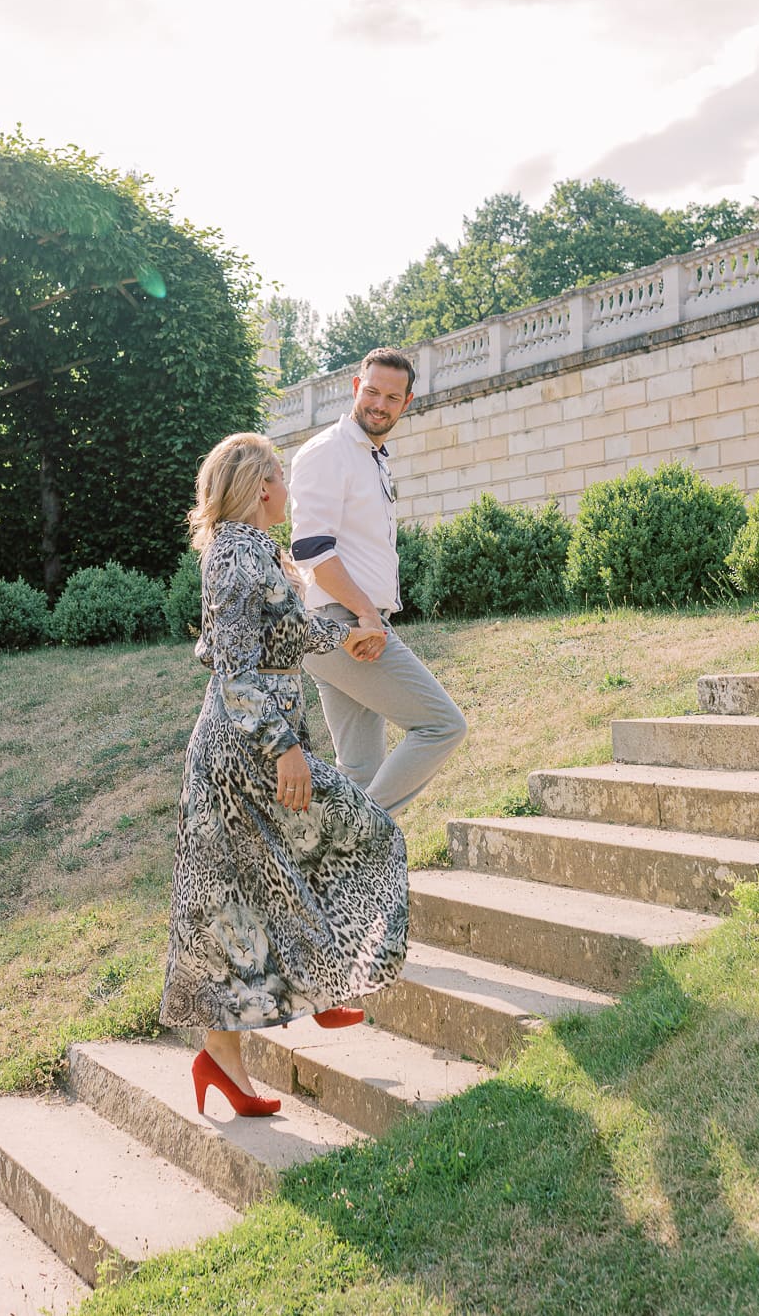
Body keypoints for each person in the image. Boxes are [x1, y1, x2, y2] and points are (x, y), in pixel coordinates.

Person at [159, 432, 408, 1119]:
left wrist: (342, 637)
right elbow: (234, 669)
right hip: (245, 749)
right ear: (259, 484)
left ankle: (225, 1061)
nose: (288, 485)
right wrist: (284, 750)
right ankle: (328, 984)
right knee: (361, 833)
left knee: (232, 899)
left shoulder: (254, 550)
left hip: (252, 741)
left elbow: (283, 636)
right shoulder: (237, 556)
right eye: (279, 472)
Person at [289, 347, 467, 819]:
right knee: (442, 726)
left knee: (360, 770)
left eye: (392, 396)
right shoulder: (329, 451)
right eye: (371, 392)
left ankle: (339, 879)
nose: (379, 404)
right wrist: (367, 616)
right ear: (355, 388)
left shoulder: (373, 458)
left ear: (406, 402)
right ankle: (360, 839)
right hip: (343, 623)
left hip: (346, 622)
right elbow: (311, 549)